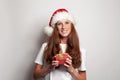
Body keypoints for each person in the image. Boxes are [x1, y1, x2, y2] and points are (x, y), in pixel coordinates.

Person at [33, 8, 87, 80]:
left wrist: (71, 69)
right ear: (55, 28)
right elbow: (35, 75)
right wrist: (50, 67)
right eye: (59, 24)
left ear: (71, 26)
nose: (63, 27)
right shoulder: (46, 47)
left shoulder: (80, 50)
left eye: (67, 22)